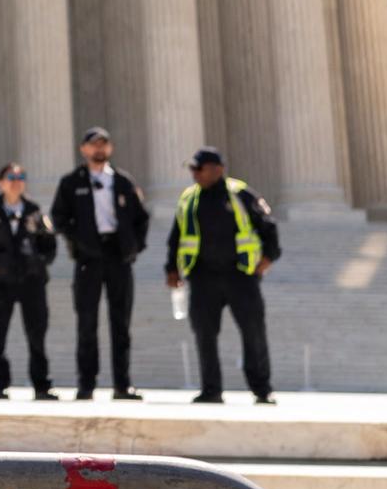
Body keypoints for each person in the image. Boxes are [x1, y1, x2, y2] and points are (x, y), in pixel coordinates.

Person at [164, 148, 280, 404]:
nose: (194, 174)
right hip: (203, 277)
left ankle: (262, 389)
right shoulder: (189, 198)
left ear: (217, 169)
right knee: (204, 334)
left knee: (253, 332)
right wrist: (171, 269)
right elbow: (176, 237)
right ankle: (211, 389)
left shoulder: (240, 194)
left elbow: (268, 225)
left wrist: (269, 257)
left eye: (199, 168)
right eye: (192, 169)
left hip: (240, 275)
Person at [50, 127, 151, 400]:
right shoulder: (72, 182)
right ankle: (86, 384)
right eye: (94, 144)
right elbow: (59, 217)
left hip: (119, 257)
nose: (99, 149)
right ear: (84, 149)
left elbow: (141, 218)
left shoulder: (122, 182)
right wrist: (78, 241)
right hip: (89, 258)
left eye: (104, 144)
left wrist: (134, 246)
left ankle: (122, 384)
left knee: (121, 323)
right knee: (87, 323)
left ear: (110, 149)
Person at [0, 163, 58, 400]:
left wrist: (39, 261)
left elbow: (49, 243)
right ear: (0, 182)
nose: (16, 181)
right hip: (2, 280)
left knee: (37, 333)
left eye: (21, 177)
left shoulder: (34, 210)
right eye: (11, 177)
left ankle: (41, 385)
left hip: (32, 281)